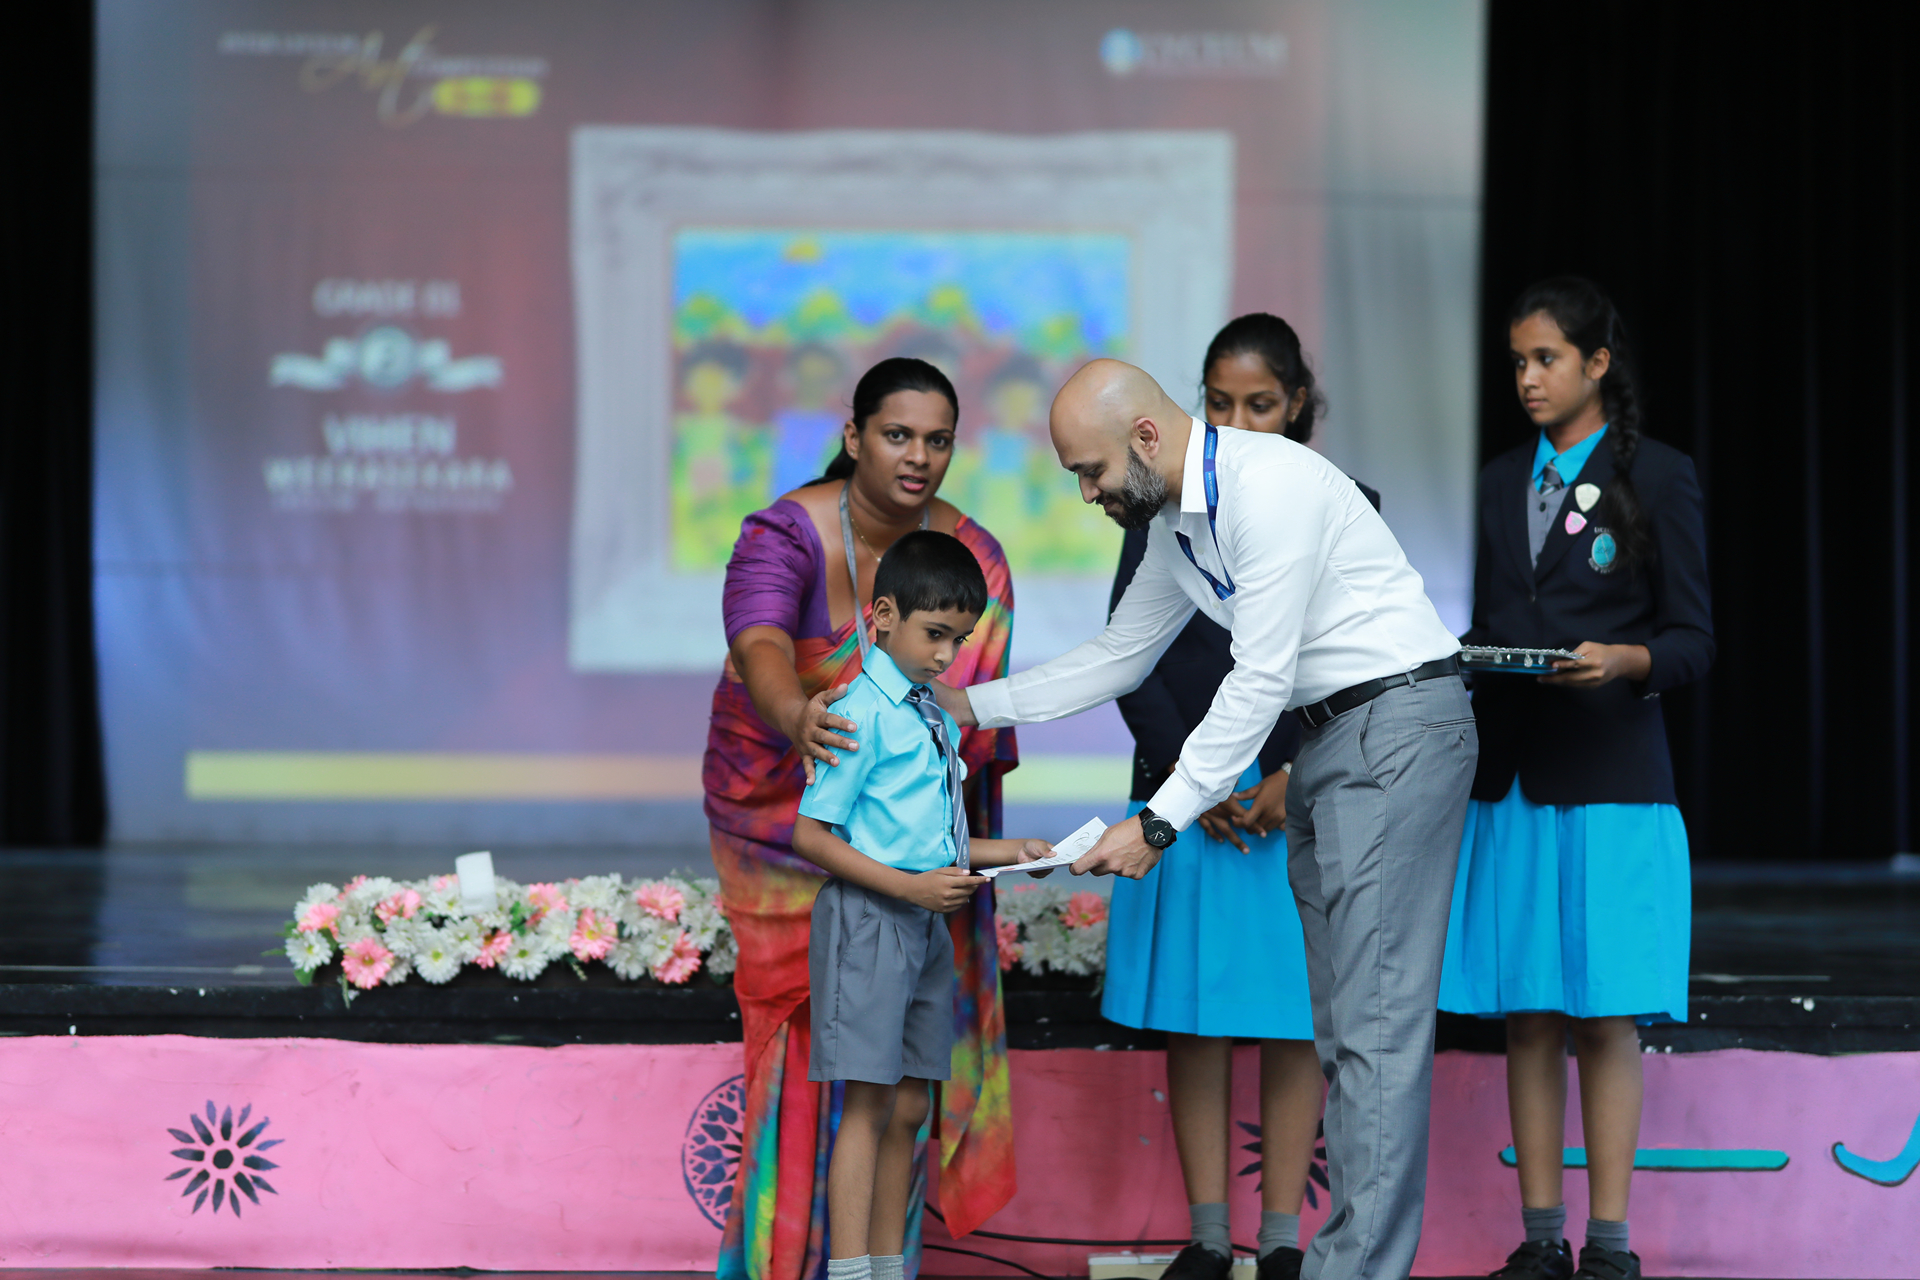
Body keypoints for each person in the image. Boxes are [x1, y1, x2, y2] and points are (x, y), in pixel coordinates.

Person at [932, 358, 1477, 1280]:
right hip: (1334, 741)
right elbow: (1120, 654)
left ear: (1146, 438)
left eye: (1090, 471)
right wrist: (970, 708)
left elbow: (1258, 678)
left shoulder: (1269, 487)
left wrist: (1155, 825)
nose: (1087, 493)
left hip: (1395, 728)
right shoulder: (1175, 526)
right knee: (1347, 1028)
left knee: (1376, 1032)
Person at [707, 357, 1019, 1280]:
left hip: (917, 844)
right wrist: (799, 716)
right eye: (896, 435)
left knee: (903, 1093)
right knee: (834, 1074)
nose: (918, 456)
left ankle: (887, 1261)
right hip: (781, 801)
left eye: (938, 440)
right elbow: (760, 643)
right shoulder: (787, 529)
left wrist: (981, 856)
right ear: (854, 438)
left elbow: (968, 727)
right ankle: (788, 1261)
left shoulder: (974, 557)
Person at [1441, 279, 1712, 1280]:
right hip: (1514, 774)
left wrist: (1624, 660)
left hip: (1609, 780)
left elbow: (1694, 640)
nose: (1527, 378)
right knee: (1529, 1009)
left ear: (1599, 363)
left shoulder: (1660, 475)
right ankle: (1540, 1233)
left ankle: (1610, 1240)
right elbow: (1497, 616)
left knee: (1606, 1011)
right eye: (1516, 360)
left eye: (1546, 358)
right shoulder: (1499, 477)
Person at [1103, 315, 1366, 1280]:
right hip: (1190, 806)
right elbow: (1133, 665)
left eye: (1261, 403)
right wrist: (1191, 781)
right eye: (1220, 404)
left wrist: (1292, 771)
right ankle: (1209, 1237)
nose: (1240, 420)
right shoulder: (1161, 503)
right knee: (1198, 1017)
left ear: (1296, 404)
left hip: (1296, 803)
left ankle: (1285, 1238)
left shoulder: (1345, 502)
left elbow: (1352, 659)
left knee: (1297, 1019)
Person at [792, 531, 1054, 1280]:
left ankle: (886, 1265)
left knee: (909, 1109)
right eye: (934, 634)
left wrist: (1015, 852)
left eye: (959, 640)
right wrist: (909, 889)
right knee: (868, 1107)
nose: (947, 656)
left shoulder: (934, 718)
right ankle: (850, 1272)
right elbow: (810, 835)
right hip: (872, 921)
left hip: (924, 925)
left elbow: (936, 841)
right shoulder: (858, 713)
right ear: (881, 615)